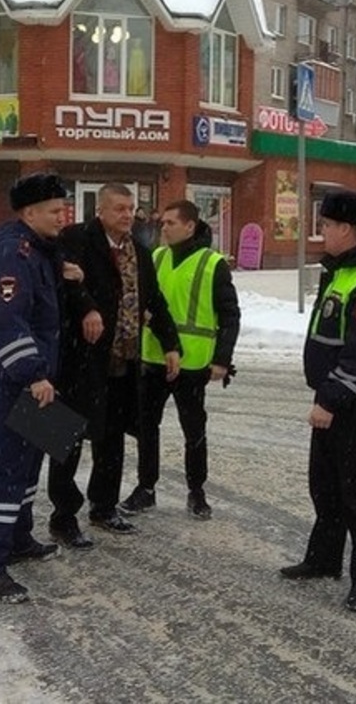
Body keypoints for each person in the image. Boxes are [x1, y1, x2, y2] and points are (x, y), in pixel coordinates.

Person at [280, 189, 356, 613]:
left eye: (327, 225)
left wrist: (329, 402)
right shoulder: (343, 272)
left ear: (347, 229)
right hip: (333, 397)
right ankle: (324, 559)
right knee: (326, 487)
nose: (322, 232)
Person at [48, 183, 181, 547]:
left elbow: (154, 300)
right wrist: (87, 305)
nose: (127, 215)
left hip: (123, 359)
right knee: (66, 437)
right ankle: (62, 516)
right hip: (79, 359)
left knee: (111, 437)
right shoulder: (74, 239)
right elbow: (61, 283)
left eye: (130, 208)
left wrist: (171, 344)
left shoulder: (139, 251)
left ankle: (103, 506)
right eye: (119, 208)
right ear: (101, 211)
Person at [0, 173, 76, 603]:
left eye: (63, 208)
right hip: (16, 379)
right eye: (54, 210)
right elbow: (4, 320)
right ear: (29, 213)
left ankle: (19, 538)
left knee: (30, 461)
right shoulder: (14, 253)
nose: (62, 216)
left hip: (36, 378)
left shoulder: (38, 250)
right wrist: (32, 374)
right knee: (5, 468)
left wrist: (60, 270)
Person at [120, 200, 241, 520]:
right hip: (153, 357)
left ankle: (196, 490)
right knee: (147, 427)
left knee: (194, 429)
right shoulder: (156, 257)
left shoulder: (212, 263)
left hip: (193, 363)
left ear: (190, 226)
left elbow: (230, 315)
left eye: (171, 223)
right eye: (162, 223)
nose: (164, 228)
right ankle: (146, 488)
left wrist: (222, 359)